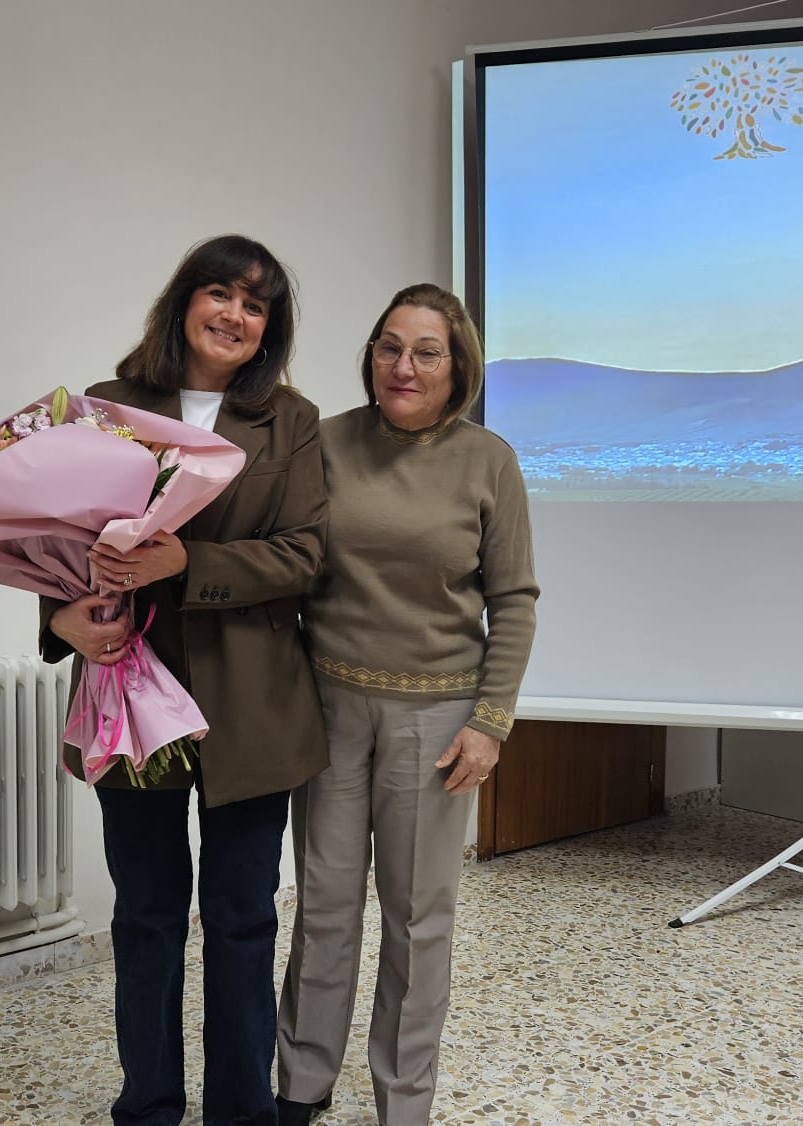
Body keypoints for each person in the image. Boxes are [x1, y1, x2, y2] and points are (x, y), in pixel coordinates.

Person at [42, 234, 329, 1126]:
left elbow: (303, 556)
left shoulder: (293, 420)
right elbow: (54, 545)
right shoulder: (107, 406)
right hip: (132, 702)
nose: (235, 315)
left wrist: (183, 562)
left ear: (269, 329)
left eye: (256, 304)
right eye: (221, 293)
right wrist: (58, 622)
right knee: (149, 913)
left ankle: (241, 1112)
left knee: (242, 918)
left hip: (252, 706)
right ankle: (149, 1107)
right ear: (185, 302)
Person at [274, 283, 539, 1126]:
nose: (403, 365)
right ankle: (301, 1083)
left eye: (427, 351)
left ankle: (403, 1099)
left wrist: (490, 722)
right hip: (329, 708)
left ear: (457, 365)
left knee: (420, 919)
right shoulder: (325, 443)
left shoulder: (488, 460)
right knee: (322, 904)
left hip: (438, 719)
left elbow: (517, 599)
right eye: (389, 346)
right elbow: (291, 563)